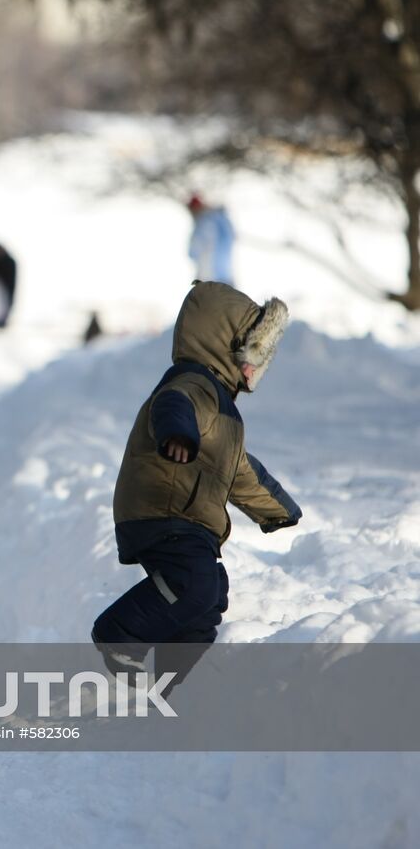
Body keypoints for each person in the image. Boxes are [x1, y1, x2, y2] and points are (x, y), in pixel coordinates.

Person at [92, 281, 301, 690]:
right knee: (195, 583)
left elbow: (238, 469)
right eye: (252, 353)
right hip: (164, 510)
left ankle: (177, 688)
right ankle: (118, 633)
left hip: (188, 520)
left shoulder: (223, 410)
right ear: (226, 345)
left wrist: (278, 508)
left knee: (207, 601)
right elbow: (172, 408)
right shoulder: (192, 385)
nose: (255, 367)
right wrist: (179, 435)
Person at [186, 194, 236, 285]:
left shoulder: (204, 223)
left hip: (210, 278)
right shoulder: (220, 219)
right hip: (226, 276)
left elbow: (194, 250)